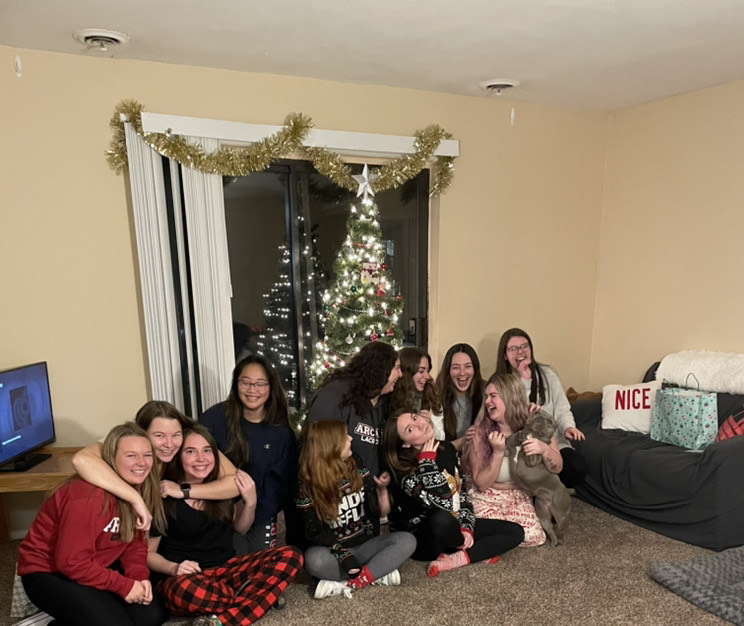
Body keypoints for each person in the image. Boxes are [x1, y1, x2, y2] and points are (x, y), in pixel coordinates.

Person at [148, 425, 302, 625]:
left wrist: (251, 503)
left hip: (227, 570)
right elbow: (148, 554)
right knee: (186, 591)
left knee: (292, 556)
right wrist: (174, 568)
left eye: (207, 451)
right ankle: (259, 598)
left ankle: (223, 619)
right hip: (187, 578)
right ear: (178, 456)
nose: (201, 458)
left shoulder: (222, 489)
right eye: (190, 451)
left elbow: (241, 528)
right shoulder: (165, 496)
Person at [18, 422, 167, 626]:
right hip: (49, 572)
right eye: (131, 455)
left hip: (94, 565)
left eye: (147, 455)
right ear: (111, 459)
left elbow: (134, 545)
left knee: (150, 617)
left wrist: (138, 578)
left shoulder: (139, 490)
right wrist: (123, 586)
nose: (141, 463)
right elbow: (70, 562)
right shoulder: (88, 498)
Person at [383, 409, 524, 577]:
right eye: (410, 429)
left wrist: (467, 528)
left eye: (415, 417)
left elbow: (461, 493)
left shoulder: (447, 449)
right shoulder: (404, 470)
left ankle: (458, 557)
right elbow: (444, 503)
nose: (420, 424)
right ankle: (468, 548)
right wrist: (427, 463)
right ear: (405, 444)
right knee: (441, 518)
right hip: (425, 539)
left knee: (515, 532)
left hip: (454, 528)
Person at [72, 401, 240, 531]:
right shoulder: (126, 441)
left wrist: (183, 491)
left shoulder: (187, 443)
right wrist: (135, 498)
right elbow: (81, 460)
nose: (169, 444)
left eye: (175, 435)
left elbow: (235, 482)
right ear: (141, 433)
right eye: (159, 435)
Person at [296, 421, 416, 599]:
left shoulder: (356, 462)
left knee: (407, 540)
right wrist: (341, 553)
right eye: (345, 437)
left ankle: (353, 581)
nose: (351, 438)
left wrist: (381, 491)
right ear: (331, 445)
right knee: (313, 560)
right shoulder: (305, 485)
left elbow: (376, 511)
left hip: (367, 544)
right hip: (335, 551)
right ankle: (378, 572)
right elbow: (314, 532)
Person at [200, 355, 298, 553]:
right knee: (224, 564)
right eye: (245, 382)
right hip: (217, 510)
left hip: (260, 514)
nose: (252, 390)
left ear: (271, 388)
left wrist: (251, 509)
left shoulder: (281, 432)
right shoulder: (215, 417)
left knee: (258, 570)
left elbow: (281, 487)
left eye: (260, 384)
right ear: (236, 385)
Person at [462, 373, 558, 547]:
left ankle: (498, 537)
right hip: (486, 495)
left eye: (493, 396)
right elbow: (482, 484)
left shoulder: (534, 421)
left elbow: (558, 466)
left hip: (518, 495)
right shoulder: (479, 431)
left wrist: (544, 449)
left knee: (535, 537)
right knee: (487, 529)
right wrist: (498, 453)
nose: (487, 402)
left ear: (510, 396)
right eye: (486, 397)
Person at [496, 328, 588, 487]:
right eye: (513, 349)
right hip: (524, 447)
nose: (520, 352)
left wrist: (568, 428)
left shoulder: (548, 374)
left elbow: (562, 408)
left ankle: (548, 487)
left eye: (525, 346)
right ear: (505, 355)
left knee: (577, 467)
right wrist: (522, 378)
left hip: (554, 443)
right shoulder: (502, 383)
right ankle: (543, 488)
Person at [307, 341, 401, 477]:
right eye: (397, 368)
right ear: (380, 368)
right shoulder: (335, 396)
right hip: (339, 490)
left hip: (372, 492)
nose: (400, 374)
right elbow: (319, 450)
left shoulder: (387, 402)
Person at [434, 343, 484, 450]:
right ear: (448, 371)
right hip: (448, 461)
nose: (462, 373)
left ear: (475, 369)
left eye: (468, 366)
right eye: (456, 367)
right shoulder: (436, 397)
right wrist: (464, 441)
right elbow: (436, 448)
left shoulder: (486, 392)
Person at [390, 347, 445, 440]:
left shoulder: (431, 397)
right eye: (421, 371)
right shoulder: (391, 398)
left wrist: (431, 425)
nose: (427, 376)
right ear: (407, 372)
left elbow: (442, 437)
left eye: (427, 371)